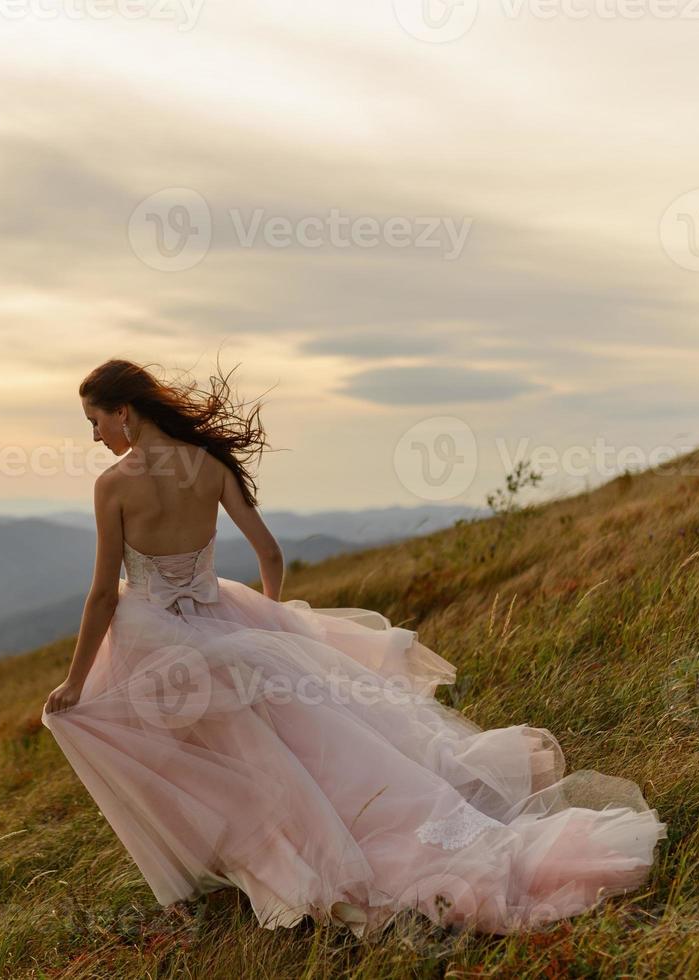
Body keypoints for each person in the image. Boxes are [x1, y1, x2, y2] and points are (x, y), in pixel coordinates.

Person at [42, 357, 666, 937]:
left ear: (123, 412)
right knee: (295, 750)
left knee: (212, 760)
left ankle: (282, 869)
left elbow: (102, 596)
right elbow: (271, 553)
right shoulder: (210, 465)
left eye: (95, 422)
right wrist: (267, 621)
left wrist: (74, 683)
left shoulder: (114, 484)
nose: (96, 437)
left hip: (156, 635)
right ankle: (306, 854)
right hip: (227, 621)